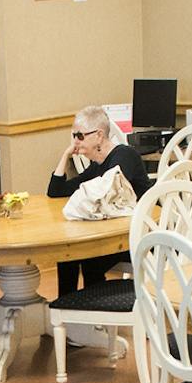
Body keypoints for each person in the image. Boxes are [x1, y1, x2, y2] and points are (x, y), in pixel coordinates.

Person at [45, 104, 151, 297]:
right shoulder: (97, 166)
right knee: (67, 254)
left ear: (99, 136)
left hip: (139, 235)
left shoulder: (125, 155)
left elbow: (107, 193)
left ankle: (93, 314)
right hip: (115, 234)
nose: (76, 141)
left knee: (86, 257)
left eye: (80, 136)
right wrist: (66, 154)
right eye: (73, 136)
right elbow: (56, 191)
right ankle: (68, 307)